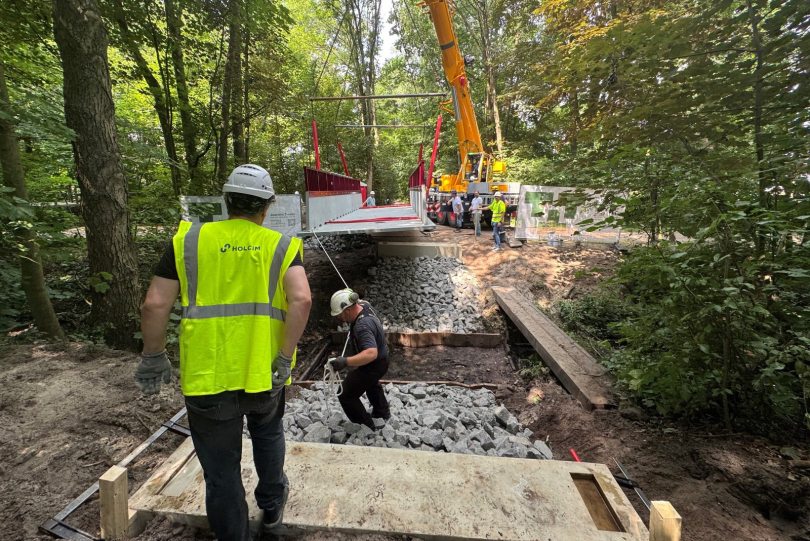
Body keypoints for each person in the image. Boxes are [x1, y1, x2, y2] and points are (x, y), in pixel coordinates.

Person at [135, 164, 312, 540]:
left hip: (207, 376)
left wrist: (153, 354)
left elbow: (154, 305)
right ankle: (272, 508)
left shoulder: (187, 241)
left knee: (221, 471)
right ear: (267, 205)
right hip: (263, 371)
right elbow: (302, 299)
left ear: (227, 200)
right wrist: (284, 356)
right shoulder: (280, 245)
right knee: (267, 434)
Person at [328, 289, 390, 429]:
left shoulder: (362, 326)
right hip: (383, 358)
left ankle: (365, 425)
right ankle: (382, 413)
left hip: (374, 363)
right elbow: (363, 301)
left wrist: (345, 362)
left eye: (340, 314)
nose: (339, 318)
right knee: (370, 382)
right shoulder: (365, 307)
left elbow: (370, 353)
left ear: (348, 309)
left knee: (345, 393)